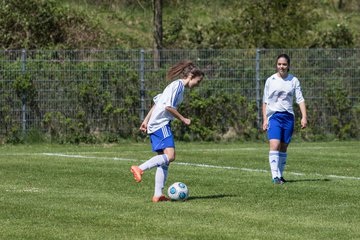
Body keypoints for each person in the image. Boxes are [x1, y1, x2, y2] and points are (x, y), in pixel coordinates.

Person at [130, 60, 205, 202]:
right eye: (198, 81)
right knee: (170, 156)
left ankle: (158, 195)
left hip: (155, 124)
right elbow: (168, 107)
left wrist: (146, 121)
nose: (197, 84)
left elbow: (158, 103)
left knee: (164, 161)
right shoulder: (177, 86)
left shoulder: (176, 87)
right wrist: (183, 119)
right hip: (161, 124)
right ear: (191, 76)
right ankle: (139, 168)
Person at [262, 54, 307, 184]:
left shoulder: (293, 81)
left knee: (283, 147)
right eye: (279, 64)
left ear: (288, 66)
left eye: (284, 64)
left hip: (288, 117)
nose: (281, 67)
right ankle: (275, 176)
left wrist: (304, 117)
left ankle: (280, 175)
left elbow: (300, 99)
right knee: (274, 144)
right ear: (276, 65)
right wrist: (265, 119)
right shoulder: (270, 80)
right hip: (274, 116)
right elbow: (265, 101)